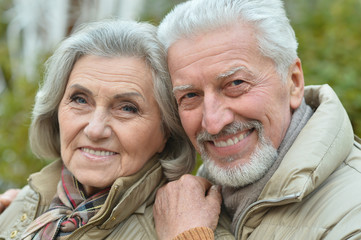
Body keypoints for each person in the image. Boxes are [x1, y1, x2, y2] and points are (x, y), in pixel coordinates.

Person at [0, 19, 232, 239]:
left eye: (127, 108)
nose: (95, 129)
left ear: (167, 130)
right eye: (80, 100)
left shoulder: (197, 230)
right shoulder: (21, 206)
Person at [153, 0, 361, 239]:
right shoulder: (185, 202)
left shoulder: (353, 216)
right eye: (190, 95)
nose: (212, 122)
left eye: (236, 84)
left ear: (293, 82)